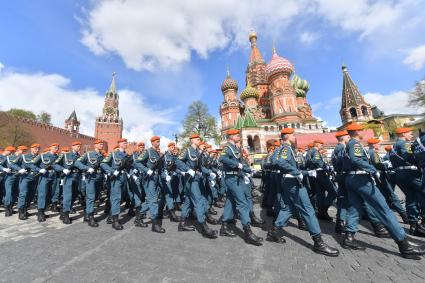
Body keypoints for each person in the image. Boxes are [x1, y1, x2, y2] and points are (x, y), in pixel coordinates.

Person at [342, 123, 425, 259]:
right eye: (361, 130)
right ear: (356, 132)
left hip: (351, 178)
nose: (363, 131)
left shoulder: (350, 144)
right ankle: (404, 244)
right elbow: (356, 159)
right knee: (383, 209)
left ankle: (349, 238)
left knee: (354, 208)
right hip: (361, 179)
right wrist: (372, 170)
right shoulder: (355, 144)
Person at [265, 128, 339, 256]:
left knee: (289, 208)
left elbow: (286, 165)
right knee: (307, 209)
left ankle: (274, 231)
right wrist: (297, 172)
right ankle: (318, 242)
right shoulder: (286, 148)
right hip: (292, 182)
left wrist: (306, 173)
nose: (295, 137)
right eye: (293, 135)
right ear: (287, 136)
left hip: (289, 180)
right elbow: (279, 162)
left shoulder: (287, 149)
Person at [219, 129, 263, 246]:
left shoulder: (235, 148)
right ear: (231, 137)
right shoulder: (227, 148)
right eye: (236, 135)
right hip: (231, 179)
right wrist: (236, 164)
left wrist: (249, 170)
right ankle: (248, 233)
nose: (238, 136)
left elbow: (240, 164)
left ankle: (224, 227)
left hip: (236, 177)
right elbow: (222, 159)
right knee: (242, 204)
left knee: (230, 202)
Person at [175, 133, 217, 239]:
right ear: (192, 140)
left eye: (199, 139)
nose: (199, 140)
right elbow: (177, 161)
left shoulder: (198, 153)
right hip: (190, 180)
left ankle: (182, 224)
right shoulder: (187, 150)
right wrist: (187, 169)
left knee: (188, 202)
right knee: (198, 202)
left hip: (196, 179)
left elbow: (201, 167)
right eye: (197, 139)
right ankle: (204, 227)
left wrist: (209, 173)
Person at [389, 127, 425, 237]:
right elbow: (410, 156)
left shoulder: (394, 145)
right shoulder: (404, 144)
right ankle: (422, 224)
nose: (411, 135)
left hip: (400, 174)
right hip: (411, 173)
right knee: (423, 194)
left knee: (411, 198)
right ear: (403, 134)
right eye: (409, 133)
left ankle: (413, 225)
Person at [134, 136, 166, 233]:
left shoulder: (158, 154)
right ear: (152, 142)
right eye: (156, 141)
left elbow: (160, 169)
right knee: (153, 201)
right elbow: (137, 162)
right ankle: (155, 224)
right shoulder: (147, 152)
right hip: (149, 180)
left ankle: (138, 217)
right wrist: (146, 170)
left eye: (159, 141)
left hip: (156, 179)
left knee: (150, 201)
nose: (158, 143)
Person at [101, 138, 131, 230]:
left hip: (124, 179)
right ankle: (115, 220)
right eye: (124, 143)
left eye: (126, 143)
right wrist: (112, 171)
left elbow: (129, 167)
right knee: (116, 198)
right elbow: (103, 164)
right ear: (119, 144)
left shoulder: (127, 155)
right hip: (115, 179)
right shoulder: (113, 154)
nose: (126, 144)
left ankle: (111, 215)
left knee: (121, 198)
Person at [75, 139, 106, 227]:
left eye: (102, 144)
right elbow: (77, 162)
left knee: (95, 197)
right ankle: (90, 217)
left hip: (99, 178)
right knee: (91, 197)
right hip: (90, 178)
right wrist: (87, 168)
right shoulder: (88, 154)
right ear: (95, 145)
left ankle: (86, 213)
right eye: (100, 144)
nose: (101, 145)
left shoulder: (102, 156)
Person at [53, 141, 82, 224]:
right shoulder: (65, 155)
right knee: (68, 196)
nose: (78, 147)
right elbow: (55, 164)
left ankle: (63, 211)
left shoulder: (79, 156)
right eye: (77, 146)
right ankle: (66, 215)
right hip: (68, 177)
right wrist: (63, 169)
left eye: (79, 146)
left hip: (77, 177)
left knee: (74, 195)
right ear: (72, 147)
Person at [30, 143, 60, 222]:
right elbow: (31, 164)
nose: (56, 149)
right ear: (50, 147)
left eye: (57, 148)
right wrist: (39, 169)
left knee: (51, 194)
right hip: (45, 176)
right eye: (54, 147)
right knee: (42, 194)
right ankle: (40, 212)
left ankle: (44, 210)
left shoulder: (58, 157)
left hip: (54, 177)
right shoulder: (42, 155)